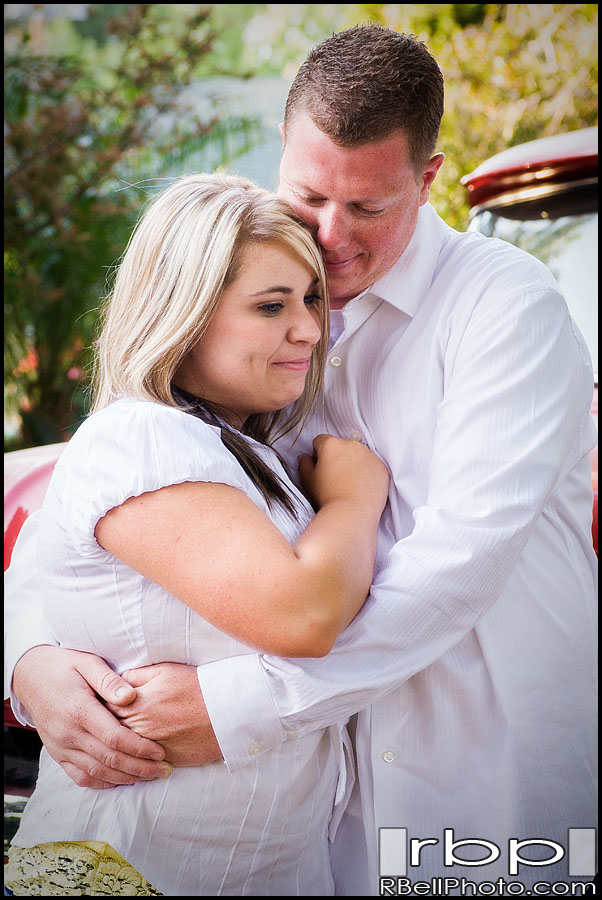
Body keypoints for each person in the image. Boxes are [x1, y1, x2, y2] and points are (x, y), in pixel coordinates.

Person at [5, 23, 597, 896]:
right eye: (311, 195)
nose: (330, 236)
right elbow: (90, 503)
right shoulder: (240, 299)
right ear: (282, 147)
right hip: (316, 822)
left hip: (484, 775)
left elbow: (455, 565)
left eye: (368, 208)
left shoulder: (506, 306)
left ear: (427, 179)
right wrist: (30, 664)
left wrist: (238, 708)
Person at [3, 171, 391, 896]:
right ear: (183, 316)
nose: (309, 327)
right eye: (271, 305)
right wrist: (354, 503)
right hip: (128, 872)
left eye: (310, 298)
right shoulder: (145, 438)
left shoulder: (234, 447)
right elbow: (301, 614)